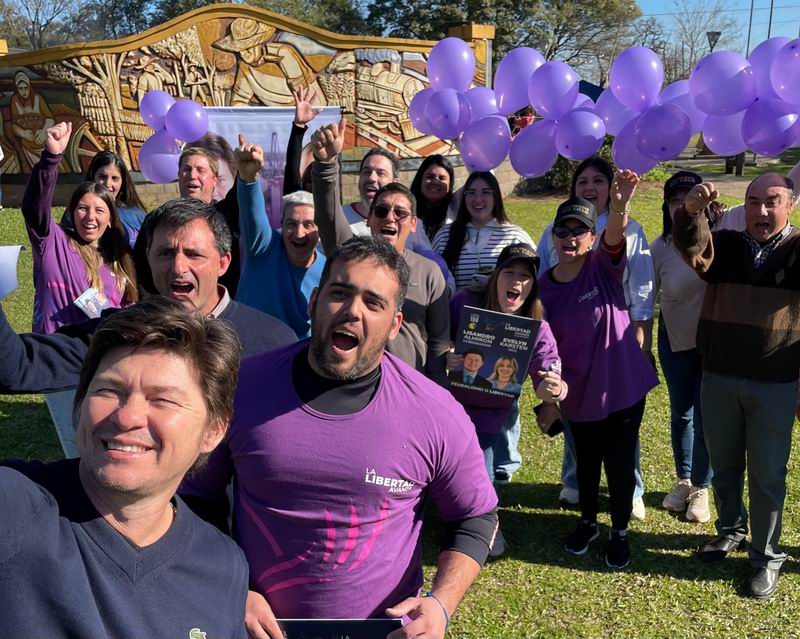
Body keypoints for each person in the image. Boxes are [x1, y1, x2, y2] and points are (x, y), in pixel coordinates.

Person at [180, 236, 499, 639]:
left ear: (394, 324)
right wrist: (231, 586)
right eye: (340, 293)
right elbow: (193, 500)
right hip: (255, 627)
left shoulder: (435, 413)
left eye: (373, 303)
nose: (352, 311)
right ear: (314, 302)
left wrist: (441, 604)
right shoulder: (241, 388)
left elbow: (475, 517)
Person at [0, 297, 249, 638]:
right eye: (108, 390)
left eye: (162, 400)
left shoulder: (224, 568)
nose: (127, 416)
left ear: (213, 431)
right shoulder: (14, 508)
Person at [0, 197, 296, 395]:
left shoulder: (274, 341)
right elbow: (16, 368)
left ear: (223, 263)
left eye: (194, 254)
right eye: (165, 253)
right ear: (149, 258)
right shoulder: (120, 332)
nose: (178, 267)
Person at [672, 174, 800, 598]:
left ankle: (766, 556)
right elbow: (692, 247)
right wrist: (691, 211)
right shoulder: (724, 245)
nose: (761, 210)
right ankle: (731, 529)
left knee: (767, 474)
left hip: (775, 382)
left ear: (791, 205)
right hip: (720, 377)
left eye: (772, 201)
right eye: (753, 201)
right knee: (724, 463)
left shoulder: (797, 248)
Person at [538, 179, 658, 570]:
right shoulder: (543, 290)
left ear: (591, 238)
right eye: (563, 230)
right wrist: (549, 398)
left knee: (620, 464)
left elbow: (615, 237)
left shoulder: (602, 266)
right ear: (553, 237)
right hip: (578, 393)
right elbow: (542, 348)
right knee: (587, 463)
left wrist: (619, 205)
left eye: (580, 231)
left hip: (623, 385)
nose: (570, 238)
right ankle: (588, 522)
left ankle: (619, 532)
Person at [310, 121, 450, 378]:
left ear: (413, 224)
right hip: (352, 382)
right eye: (382, 211)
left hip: (407, 384)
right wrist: (327, 165)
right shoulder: (351, 258)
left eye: (400, 213)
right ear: (369, 219)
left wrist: (435, 389)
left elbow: (439, 343)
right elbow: (328, 218)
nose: (390, 218)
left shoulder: (429, 273)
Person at [448, 242, 565, 489]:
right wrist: (444, 357)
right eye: (509, 272)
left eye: (525, 276)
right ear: (495, 277)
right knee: (441, 475)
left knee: (480, 483)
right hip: (449, 409)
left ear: (532, 286)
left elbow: (548, 374)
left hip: (491, 415)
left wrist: (553, 390)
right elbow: (434, 341)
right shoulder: (464, 302)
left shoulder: (537, 327)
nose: (516, 281)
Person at [23, 122, 137, 335]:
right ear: (72, 212)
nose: (90, 217)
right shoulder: (54, 243)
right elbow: (34, 207)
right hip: (51, 351)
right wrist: (51, 158)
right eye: (83, 208)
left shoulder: (119, 265)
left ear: (111, 219)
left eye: (99, 210)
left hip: (94, 354)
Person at [651, 171, 716, 524]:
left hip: (713, 345)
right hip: (674, 341)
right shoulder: (659, 247)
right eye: (674, 200)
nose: (682, 205)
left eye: (688, 197)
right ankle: (684, 479)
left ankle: (702, 487)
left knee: (706, 417)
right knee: (682, 413)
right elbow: (645, 298)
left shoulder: (720, 237)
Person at [234, 135, 325, 339]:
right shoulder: (263, 249)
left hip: (298, 356)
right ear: (281, 225)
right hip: (246, 351)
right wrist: (248, 179)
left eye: (308, 224)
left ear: (320, 232)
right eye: (291, 224)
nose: (299, 233)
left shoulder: (329, 272)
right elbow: (252, 213)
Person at [132, 144, 243, 298]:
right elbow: (140, 271)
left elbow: (242, 196)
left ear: (214, 179)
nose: (192, 175)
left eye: (200, 170)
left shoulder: (227, 215)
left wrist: (245, 173)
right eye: (186, 169)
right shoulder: (158, 220)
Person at [433, 171, 535, 288]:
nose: (478, 199)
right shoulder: (444, 235)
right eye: (471, 192)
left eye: (486, 192)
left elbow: (534, 278)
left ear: (495, 197)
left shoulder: (515, 236)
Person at [84, 151, 149, 247]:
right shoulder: (77, 212)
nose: (107, 184)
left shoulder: (137, 216)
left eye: (114, 178)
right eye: (102, 177)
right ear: (92, 177)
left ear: (123, 182)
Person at [343, 147, 399, 236]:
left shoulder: (403, 223)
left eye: (381, 173)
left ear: (394, 183)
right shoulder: (340, 218)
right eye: (367, 172)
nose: (372, 178)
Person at [10, 70, 55, 172]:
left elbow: (50, 119)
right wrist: (23, 133)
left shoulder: (38, 99)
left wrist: (44, 131)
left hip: (44, 143)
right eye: (20, 89)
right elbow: (14, 125)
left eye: (26, 88)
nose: (24, 92)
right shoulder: (15, 101)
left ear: (29, 87)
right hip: (28, 146)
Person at [409, 154, 458, 242]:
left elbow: (480, 175)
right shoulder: (406, 206)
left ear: (450, 184)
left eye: (442, 178)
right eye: (430, 177)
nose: (435, 181)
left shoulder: (456, 204)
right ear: (420, 179)